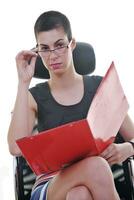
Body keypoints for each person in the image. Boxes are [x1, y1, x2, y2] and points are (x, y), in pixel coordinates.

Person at [7, 10, 134, 200]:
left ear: (72, 44)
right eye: (45, 48)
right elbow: (15, 149)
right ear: (38, 51)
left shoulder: (100, 87)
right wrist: (23, 82)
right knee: (96, 166)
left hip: (96, 182)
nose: (52, 56)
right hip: (52, 183)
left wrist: (128, 149)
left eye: (59, 45)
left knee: (79, 194)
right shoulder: (34, 96)